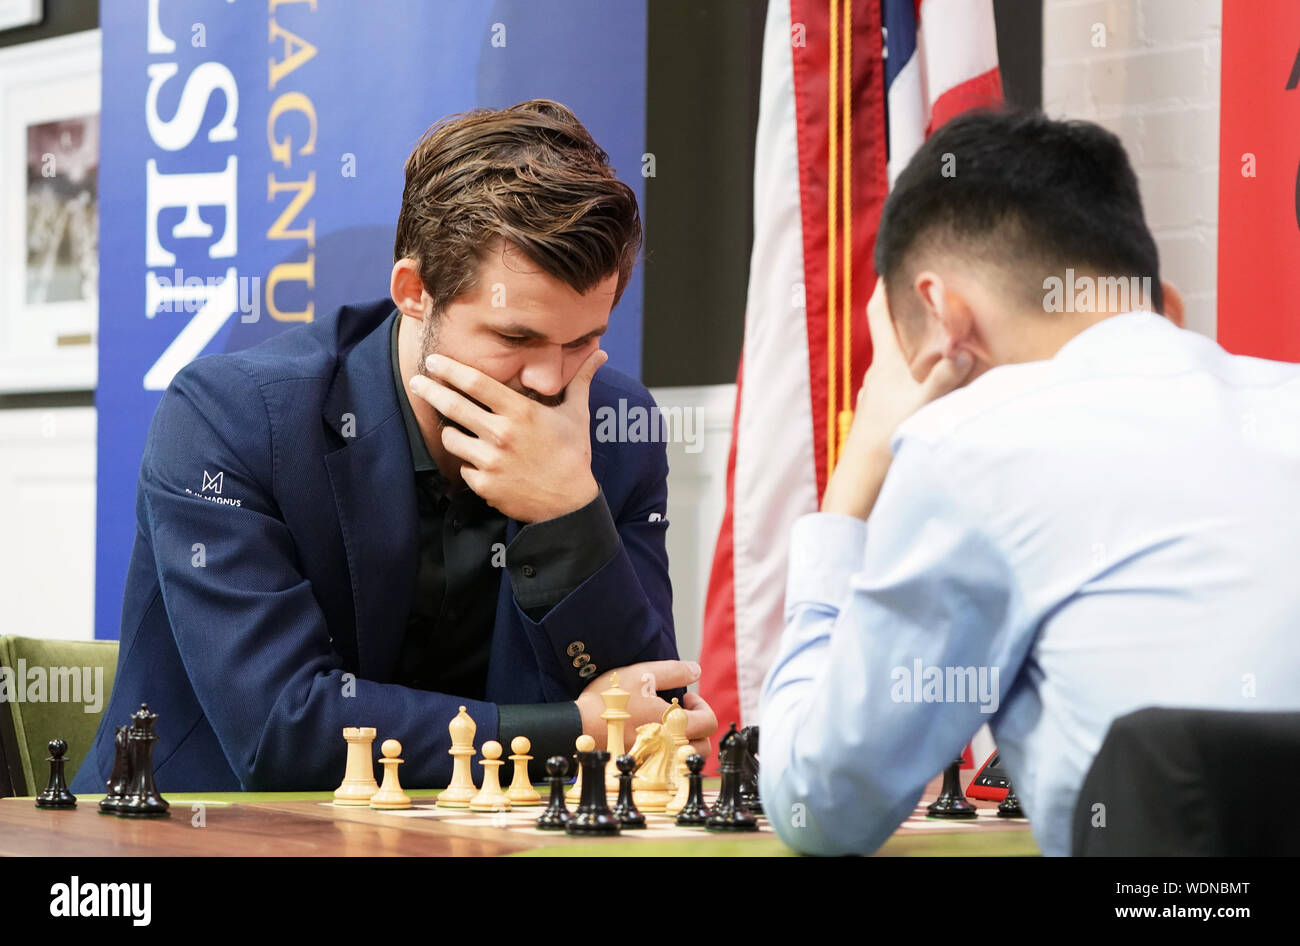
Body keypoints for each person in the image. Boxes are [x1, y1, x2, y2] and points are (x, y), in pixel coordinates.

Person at [73, 100, 716, 794]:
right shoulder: (228, 417)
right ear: (414, 292)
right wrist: (574, 729)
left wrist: (570, 513)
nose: (550, 380)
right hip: (202, 831)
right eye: (515, 338)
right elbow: (283, 732)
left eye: (583, 339)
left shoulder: (613, 425)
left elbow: (658, 721)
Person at [758, 108, 1300, 856]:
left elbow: (820, 807)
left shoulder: (967, 447)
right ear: (1163, 307)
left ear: (944, 317)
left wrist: (855, 484)